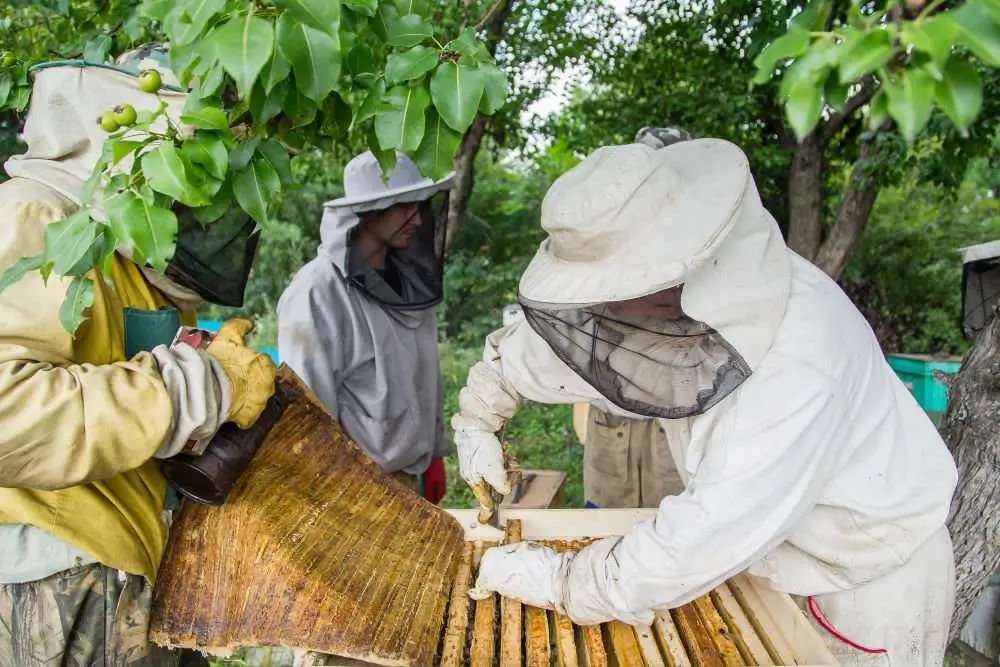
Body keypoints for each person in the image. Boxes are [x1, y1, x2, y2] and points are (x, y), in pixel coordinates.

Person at [453, 138, 957, 665]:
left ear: (675, 268)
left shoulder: (804, 358)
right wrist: (478, 417)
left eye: (611, 291)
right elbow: (537, 357)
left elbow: (708, 530)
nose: (604, 311)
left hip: (863, 582)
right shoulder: (660, 306)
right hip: (770, 560)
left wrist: (562, 581)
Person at [0, 45, 277, 665]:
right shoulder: (36, 218)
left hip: (122, 566)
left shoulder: (128, 255)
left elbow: (123, 406)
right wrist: (201, 386)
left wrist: (209, 384)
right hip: (50, 577)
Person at [277, 152, 453, 502]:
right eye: (403, 206)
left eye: (419, 205)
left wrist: (432, 453)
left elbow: (423, 376)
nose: (417, 219)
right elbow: (308, 409)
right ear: (367, 211)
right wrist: (336, 493)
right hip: (357, 486)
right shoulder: (315, 293)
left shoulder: (409, 283)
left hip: (410, 475)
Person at [573, 126, 694, 509]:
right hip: (611, 434)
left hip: (678, 430)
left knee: (676, 537)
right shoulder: (607, 240)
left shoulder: (701, 241)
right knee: (601, 535)